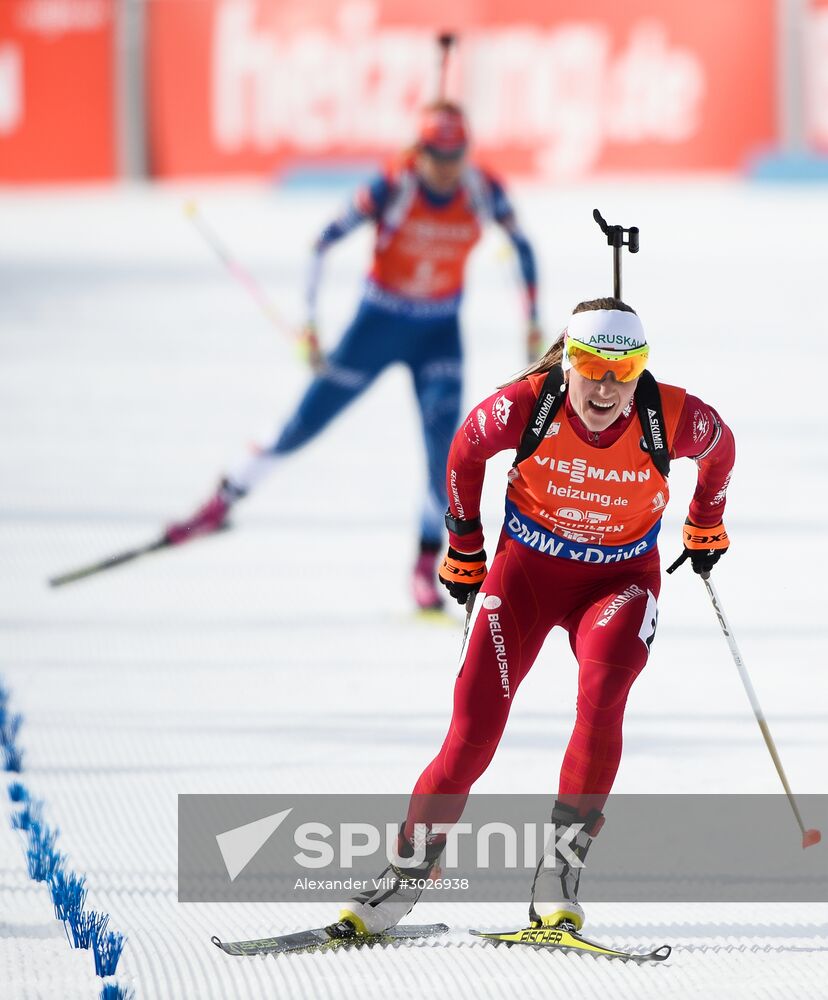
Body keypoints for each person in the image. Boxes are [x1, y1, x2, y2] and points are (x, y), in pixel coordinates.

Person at [338, 297, 735, 935]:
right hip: (526, 575)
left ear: (641, 369)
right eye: (589, 364)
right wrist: (465, 544)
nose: (606, 385)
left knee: (604, 693)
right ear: (566, 360)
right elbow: (467, 448)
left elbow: (722, 449)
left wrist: (706, 522)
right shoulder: (529, 403)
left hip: (618, 581)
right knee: (471, 731)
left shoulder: (672, 416)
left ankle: (559, 871)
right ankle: (405, 875)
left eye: (624, 369)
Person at [165, 101, 542, 611]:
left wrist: (532, 319)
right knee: (304, 423)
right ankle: (221, 501)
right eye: (436, 153)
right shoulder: (394, 185)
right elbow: (322, 242)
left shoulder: (482, 189)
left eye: (456, 155)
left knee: (445, 455)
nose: (446, 166)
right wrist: (311, 326)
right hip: (377, 325)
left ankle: (425, 568)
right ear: (419, 150)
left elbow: (522, 247)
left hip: (439, 333)